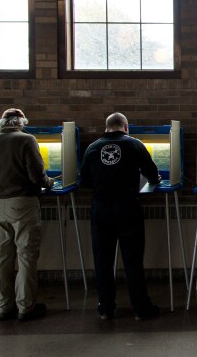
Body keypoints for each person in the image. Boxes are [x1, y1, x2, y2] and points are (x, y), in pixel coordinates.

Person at [80, 112, 161, 321]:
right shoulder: (134, 144)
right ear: (126, 126)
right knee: (133, 260)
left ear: (106, 127)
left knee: (103, 260)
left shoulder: (93, 147)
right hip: (127, 207)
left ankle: (106, 308)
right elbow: (152, 173)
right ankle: (140, 308)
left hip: (101, 209)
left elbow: (85, 181)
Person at [0, 108, 54, 322]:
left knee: (2, 256)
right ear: (21, 122)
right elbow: (37, 174)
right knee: (26, 255)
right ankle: (25, 307)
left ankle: (4, 307)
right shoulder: (26, 140)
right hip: (24, 203)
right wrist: (49, 183)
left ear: (1, 122)